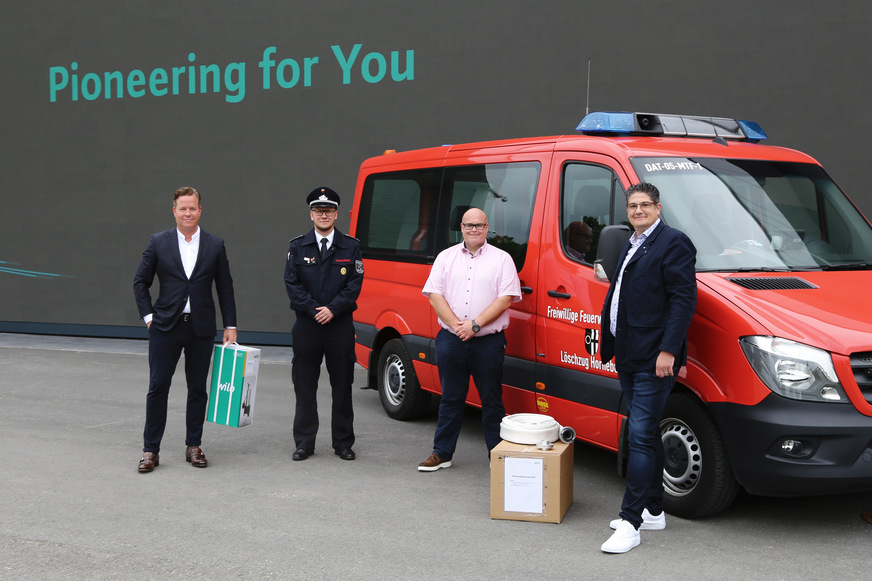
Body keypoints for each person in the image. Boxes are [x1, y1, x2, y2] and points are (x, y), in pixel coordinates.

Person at [598, 182, 697, 553]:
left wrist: (669, 351)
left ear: (658, 207)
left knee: (638, 435)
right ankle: (654, 510)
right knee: (647, 434)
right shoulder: (633, 240)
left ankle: (631, 521)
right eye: (632, 205)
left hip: (654, 358)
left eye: (644, 205)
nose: (638, 210)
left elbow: (683, 300)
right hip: (629, 352)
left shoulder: (674, 242)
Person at [133, 186, 237, 473]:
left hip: (201, 328)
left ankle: (194, 445)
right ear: (174, 211)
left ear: (200, 210)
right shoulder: (158, 242)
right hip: (165, 326)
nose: (188, 213)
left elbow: (225, 287)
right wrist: (148, 317)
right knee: (157, 388)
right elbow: (140, 281)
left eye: (193, 208)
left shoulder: (215, 244)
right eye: (183, 208)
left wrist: (230, 325)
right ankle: (150, 450)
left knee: (197, 389)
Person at [418, 207, 522, 471]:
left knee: (492, 400)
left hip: (487, 342)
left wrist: (475, 325)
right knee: (450, 398)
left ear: (487, 228)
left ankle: (496, 456)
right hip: (451, 340)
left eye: (479, 225)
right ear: (461, 228)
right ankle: (442, 453)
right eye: (468, 225)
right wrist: (457, 326)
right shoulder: (446, 257)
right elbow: (434, 295)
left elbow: (506, 298)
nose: (474, 230)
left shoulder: (502, 259)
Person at [284, 187, 363, 462]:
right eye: (319, 210)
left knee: (342, 385)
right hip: (307, 327)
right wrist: (314, 309)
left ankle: (343, 443)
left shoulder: (351, 246)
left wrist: (332, 309)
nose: (324, 215)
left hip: (339, 326)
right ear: (311, 214)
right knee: (305, 385)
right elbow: (292, 284)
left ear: (336, 214)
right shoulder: (297, 246)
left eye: (329, 210)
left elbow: (354, 285)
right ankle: (304, 442)